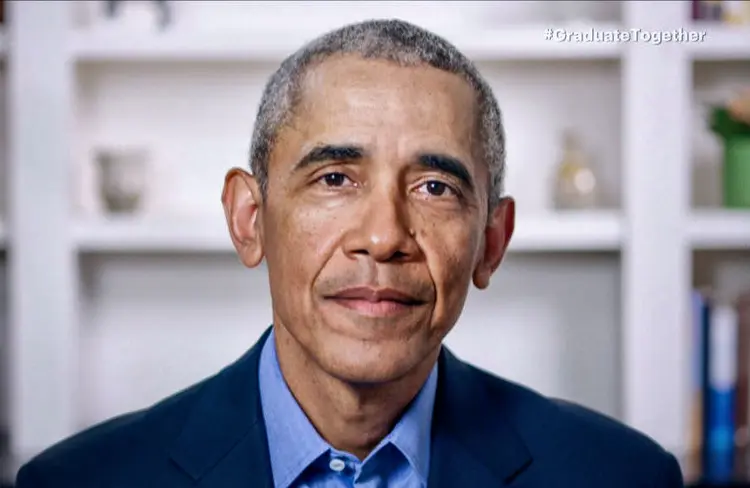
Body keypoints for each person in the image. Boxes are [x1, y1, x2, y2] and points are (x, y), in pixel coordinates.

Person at [15, 19, 684, 488]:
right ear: (250, 220)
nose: (384, 235)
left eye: (434, 186)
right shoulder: (80, 480)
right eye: (335, 179)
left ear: (491, 242)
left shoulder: (620, 474)